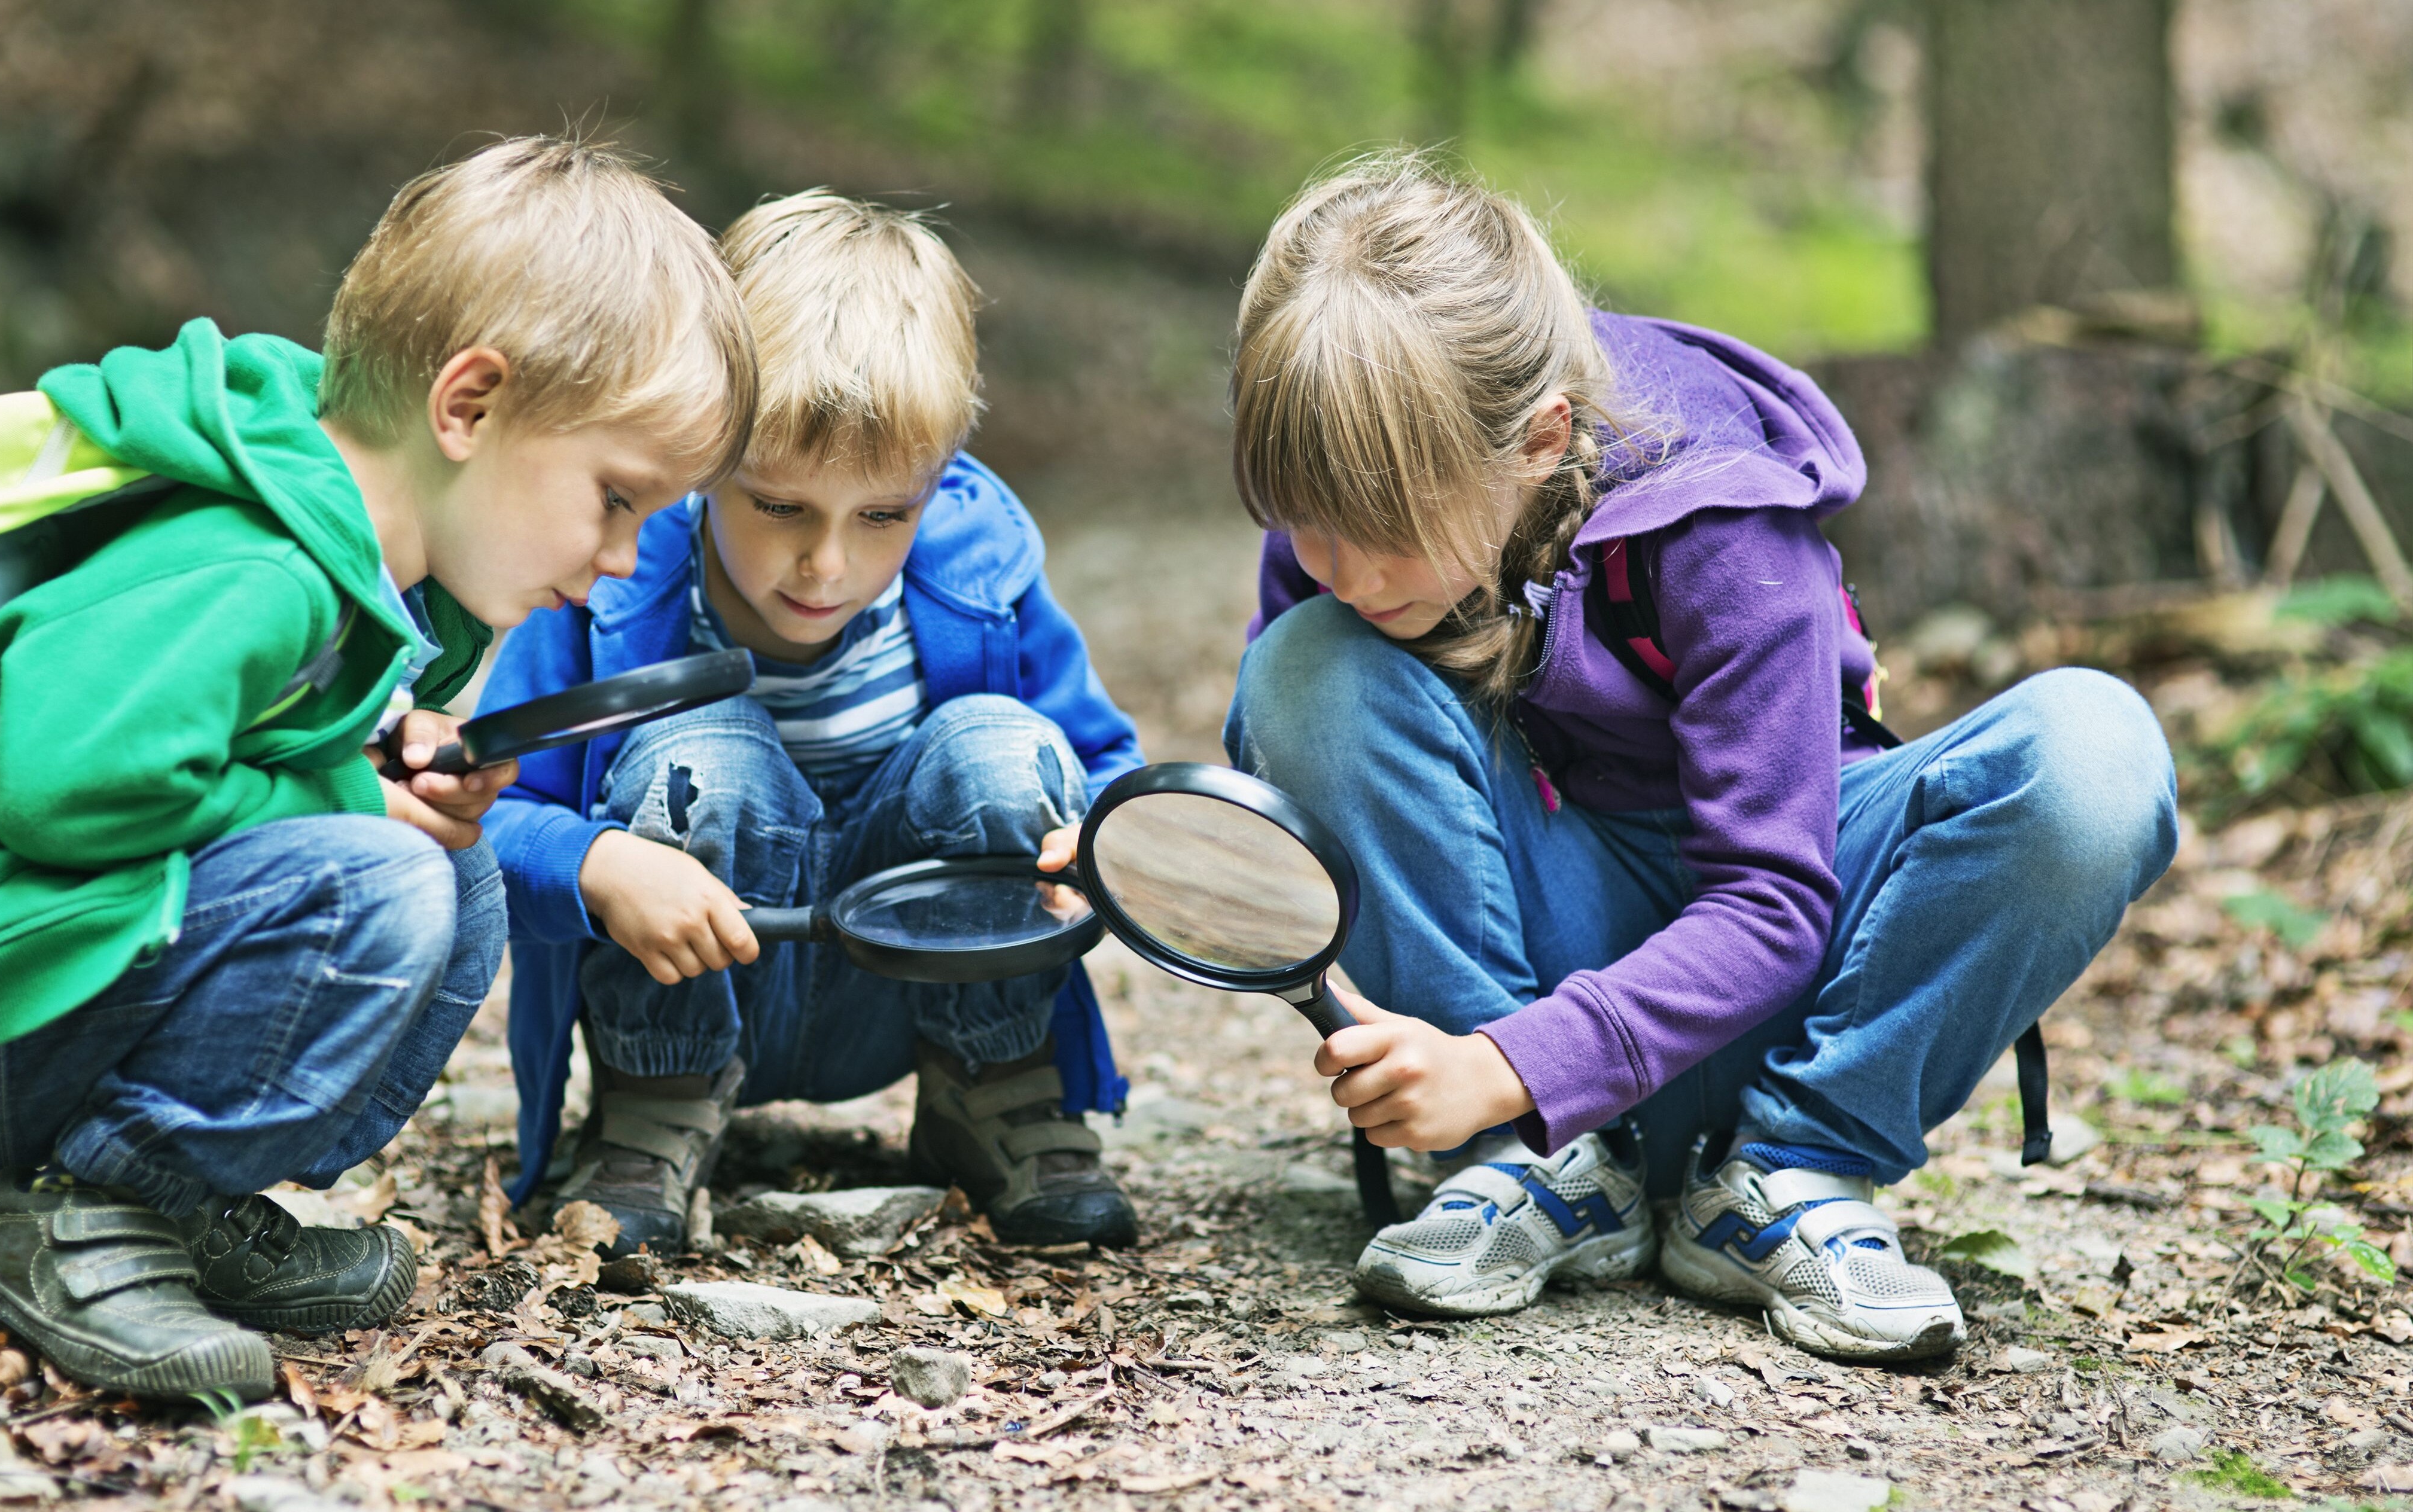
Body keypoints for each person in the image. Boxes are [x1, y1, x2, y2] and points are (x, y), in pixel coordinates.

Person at [1223, 153, 2177, 1362]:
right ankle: (1540, 1173)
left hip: (1787, 990)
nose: (1344, 570)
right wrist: (1159, 860)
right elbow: (1316, 805)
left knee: (2096, 751)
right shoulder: (1350, 524)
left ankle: (1791, 1175)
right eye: (1307, 523)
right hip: (1533, 1002)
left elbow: (1773, 903)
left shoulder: (1724, 526)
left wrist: (1510, 1064)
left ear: (1539, 439)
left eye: (1386, 533)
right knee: (1305, 667)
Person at [0, 137, 755, 1398]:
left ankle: (166, 1201)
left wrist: (379, 760)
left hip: (57, 988)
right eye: (616, 498)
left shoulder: (359, 577)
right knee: (383, 881)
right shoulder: (254, 563)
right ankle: (78, 1220)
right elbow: (68, 791)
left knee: (458, 877)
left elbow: (242, 762)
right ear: (468, 407)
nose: (621, 558)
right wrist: (343, 796)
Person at [484, 191, 1144, 1255]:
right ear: (705, 456)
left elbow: (1106, 767)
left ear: (935, 483)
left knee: (999, 744)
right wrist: (600, 866)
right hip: (694, 975)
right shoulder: (614, 586)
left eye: (883, 515)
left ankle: (992, 1088)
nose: (827, 565)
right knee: (705, 749)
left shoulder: (978, 577)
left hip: (909, 983)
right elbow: (489, 817)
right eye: (781, 506)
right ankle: (656, 1111)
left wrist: (1098, 845)